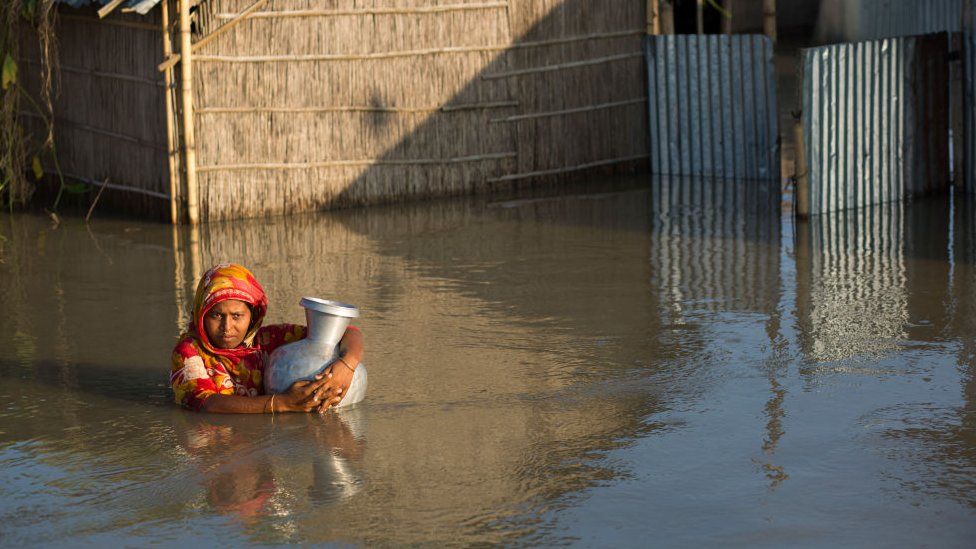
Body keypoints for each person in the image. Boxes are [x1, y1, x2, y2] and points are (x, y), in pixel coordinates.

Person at [170, 263, 363, 413]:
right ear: (201, 314)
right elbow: (207, 404)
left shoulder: (267, 340)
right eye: (216, 316)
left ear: (252, 316)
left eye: (237, 316)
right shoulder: (189, 351)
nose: (227, 327)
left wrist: (347, 365)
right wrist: (282, 403)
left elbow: (345, 332)